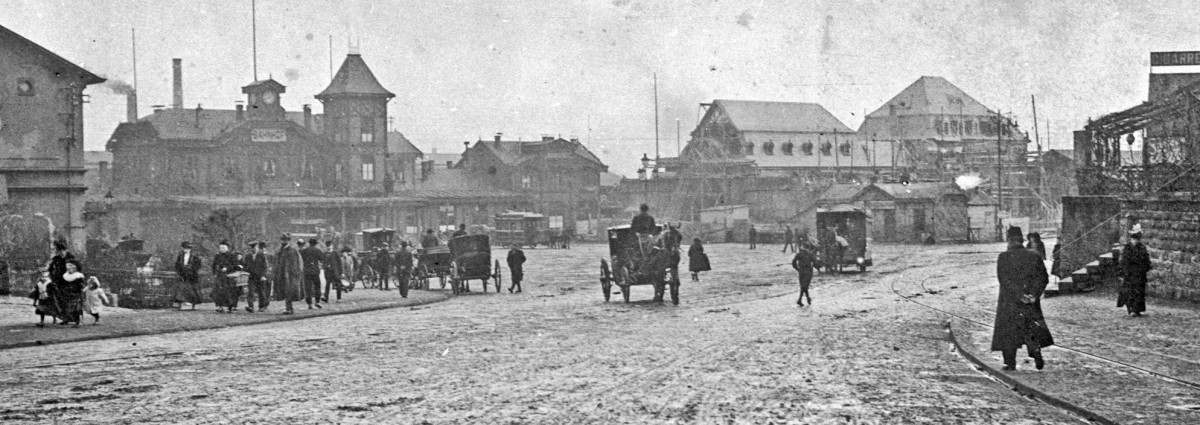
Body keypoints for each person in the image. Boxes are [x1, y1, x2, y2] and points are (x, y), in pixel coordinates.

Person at [991, 226, 1053, 371]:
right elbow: (1043, 278)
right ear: (1022, 240)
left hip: (1010, 302)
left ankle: (1010, 362)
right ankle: (1035, 351)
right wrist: (1034, 295)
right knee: (1031, 328)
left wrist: (1020, 295)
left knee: (1009, 332)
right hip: (1031, 302)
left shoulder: (1004, 257)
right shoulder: (1034, 256)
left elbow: (1004, 280)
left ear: (1009, 241)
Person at [1118, 230, 1151, 317]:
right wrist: (1123, 272)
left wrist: (1144, 269)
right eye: (1133, 239)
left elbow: (1147, 261)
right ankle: (1131, 310)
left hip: (1139, 275)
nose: (1135, 241)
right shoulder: (1127, 248)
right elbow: (1124, 261)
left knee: (1139, 293)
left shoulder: (1142, 248)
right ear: (1131, 239)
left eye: (1137, 239)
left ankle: (1137, 310)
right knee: (1130, 293)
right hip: (1129, 275)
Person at [273, 234, 304, 314]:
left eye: (285, 240)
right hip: (281, 274)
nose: (283, 241)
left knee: (289, 291)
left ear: (288, 240)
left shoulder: (292, 250)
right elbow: (276, 262)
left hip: (290, 275)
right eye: (282, 239)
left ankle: (289, 308)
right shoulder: (279, 251)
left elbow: (297, 263)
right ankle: (288, 308)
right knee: (283, 290)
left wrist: (295, 273)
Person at [211, 240, 241, 313]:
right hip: (220, 276)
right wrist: (214, 273)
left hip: (229, 277)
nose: (221, 249)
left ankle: (230, 307)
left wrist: (227, 268)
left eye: (223, 248)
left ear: (227, 248)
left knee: (229, 292)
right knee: (218, 292)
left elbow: (235, 266)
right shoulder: (217, 256)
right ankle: (220, 306)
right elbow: (213, 265)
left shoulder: (232, 256)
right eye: (220, 248)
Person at [173, 241, 203, 310]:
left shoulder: (195, 257)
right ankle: (180, 305)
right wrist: (179, 271)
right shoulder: (180, 257)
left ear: (190, 249)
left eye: (187, 248)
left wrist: (192, 268)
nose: (186, 250)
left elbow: (198, 265)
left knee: (192, 291)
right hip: (183, 275)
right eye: (184, 248)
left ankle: (193, 305)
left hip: (192, 275)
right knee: (181, 290)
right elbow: (177, 265)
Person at [243, 241, 270, 313]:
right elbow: (245, 265)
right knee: (250, 291)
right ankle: (250, 306)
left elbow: (265, 266)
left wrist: (263, 275)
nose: (253, 249)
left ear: (257, 248)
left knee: (261, 292)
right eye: (251, 248)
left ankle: (261, 306)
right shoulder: (248, 256)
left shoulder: (262, 255)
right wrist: (246, 272)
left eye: (254, 248)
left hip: (260, 276)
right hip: (251, 276)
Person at [59, 260, 86, 327]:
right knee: (66, 307)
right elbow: (62, 285)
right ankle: (66, 319)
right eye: (67, 266)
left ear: (75, 267)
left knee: (77, 308)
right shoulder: (65, 276)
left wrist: (79, 291)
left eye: (71, 266)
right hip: (67, 293)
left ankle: (79, 321)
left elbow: (81, 286)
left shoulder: (79, 276)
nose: (69, 268)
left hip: (76, 293)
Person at [299, 238, 324, 309]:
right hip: (315, 271)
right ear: (315, 244)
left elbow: (301, 260)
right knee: (317, 287)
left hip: (307, 271)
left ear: (309, 243)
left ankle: (309, 303)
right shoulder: (318, 250)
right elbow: (322, 260)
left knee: (308, 288)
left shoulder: (304, 251)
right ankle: (317, 302)